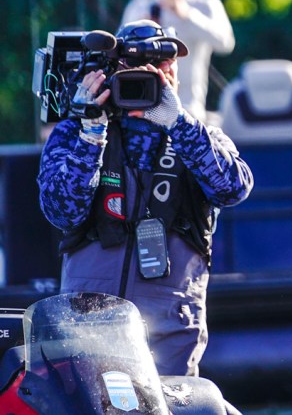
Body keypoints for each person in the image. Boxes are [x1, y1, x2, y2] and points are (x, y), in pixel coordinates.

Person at [38, 20, 254, 378]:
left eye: (164, 64)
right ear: (112, 71)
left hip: (168, 332)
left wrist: (178, 123)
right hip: (88, 327)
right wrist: (91, 132)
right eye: (136, 67)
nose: (153, 75)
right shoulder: (76, 132)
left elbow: (233, 189)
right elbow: (61, 211)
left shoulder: (200, 136)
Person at [121, 0, 235, 122]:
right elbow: (120, 50)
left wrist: (188, 15)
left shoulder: (205, 2)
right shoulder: (141, 4)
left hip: (189, 105)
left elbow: (226, 43)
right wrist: (141, 29)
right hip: (144, 104)